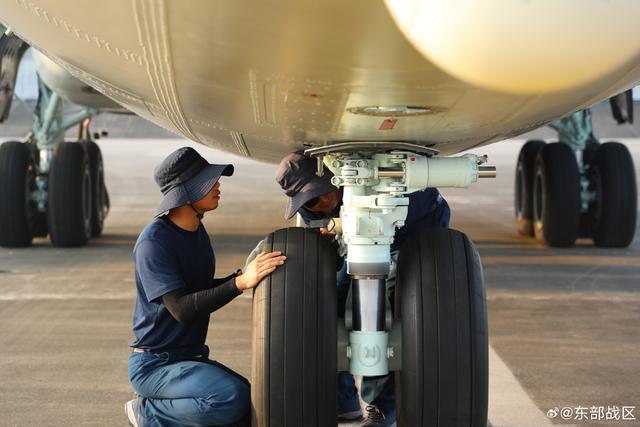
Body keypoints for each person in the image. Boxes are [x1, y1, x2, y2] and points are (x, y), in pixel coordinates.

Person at [275, 151, 450, 427]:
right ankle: (341, 400)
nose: (319, 205)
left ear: (333, 182)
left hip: (414, 230)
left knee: (386, 311)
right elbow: (325, 246)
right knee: (328, 303)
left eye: (319, 196)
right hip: (359, 243)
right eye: (310, 201)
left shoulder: (404, 192)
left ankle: (382, 409)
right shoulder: (313, 206)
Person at [125, 147, 286, 427]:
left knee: (252, 405)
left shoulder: (196, 230)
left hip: (188, 358)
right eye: (208, 181)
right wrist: (239, 283)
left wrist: (246, 275)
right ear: (185, 192)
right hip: (155, 365)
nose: (218, 185)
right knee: (230, 397)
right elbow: (182, 308)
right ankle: (149, 414)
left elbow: (198, 289)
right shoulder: (154, 243)